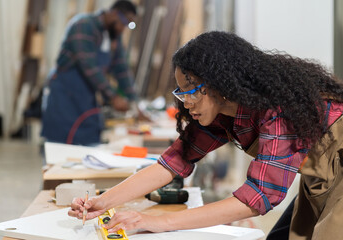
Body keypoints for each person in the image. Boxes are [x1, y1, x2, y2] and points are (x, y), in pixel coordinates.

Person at [68, 31, 343, 239]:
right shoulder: (221, 111)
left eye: (190, 91)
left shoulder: (277, 108)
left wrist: (151, 221)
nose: (186, 103)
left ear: (219, 83)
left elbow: (259, 196)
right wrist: (102, 202)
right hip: (320, 179)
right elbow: (172, 163)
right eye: (180, 92)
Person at [41, 0, 139, 145]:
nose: (123, 29)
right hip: (65, 97)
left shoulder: (113, 36)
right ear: (114, 13)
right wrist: (113, 97)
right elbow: (90, 67)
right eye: (125, 22)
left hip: (86, 97)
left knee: (90, 139)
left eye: (129, 25)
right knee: (60, 147)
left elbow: (121, 69)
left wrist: (134, 103)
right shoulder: (84, 25)